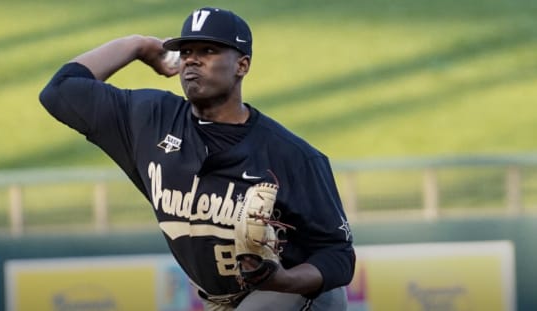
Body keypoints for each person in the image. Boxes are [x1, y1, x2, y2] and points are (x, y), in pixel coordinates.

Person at [39, 7, 355, 311]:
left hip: (292, 296)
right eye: (187, 51)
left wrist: (283, 279)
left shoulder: (292, 155)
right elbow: (59, 91)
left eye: (208, 51)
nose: (192, 60)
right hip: (217, 299)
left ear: (242, 65)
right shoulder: (149, 120)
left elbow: (339, 256)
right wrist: (135, 45)